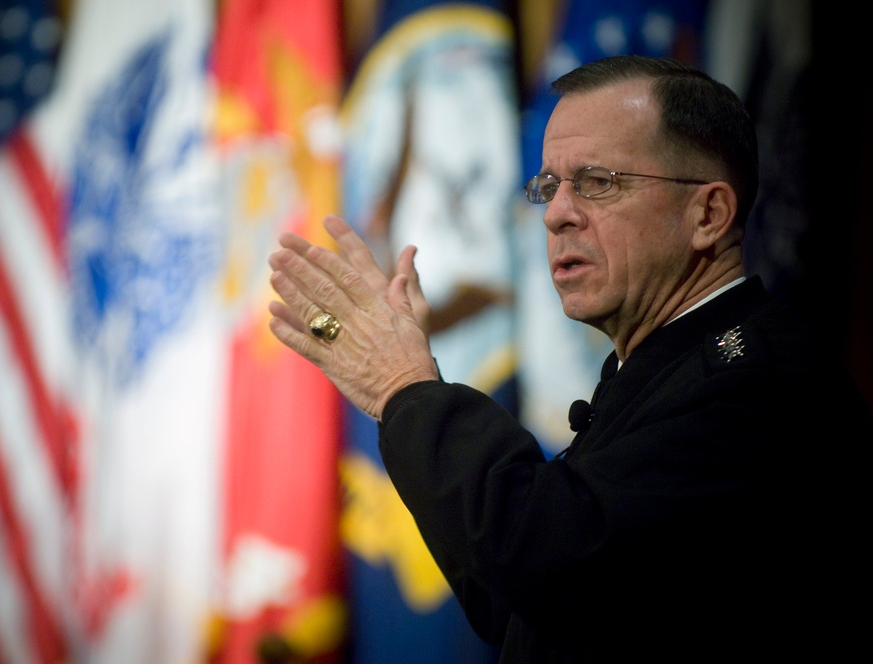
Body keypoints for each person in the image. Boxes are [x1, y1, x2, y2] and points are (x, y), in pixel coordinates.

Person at [266, 55, 870, 662]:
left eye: (598, 182)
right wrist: (394, 396)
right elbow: (521, 602)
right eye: (549, 186)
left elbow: (550, 554)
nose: (556, 214)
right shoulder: (663, 369)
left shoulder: (761, 388)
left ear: (707, 214)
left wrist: (407, 389)